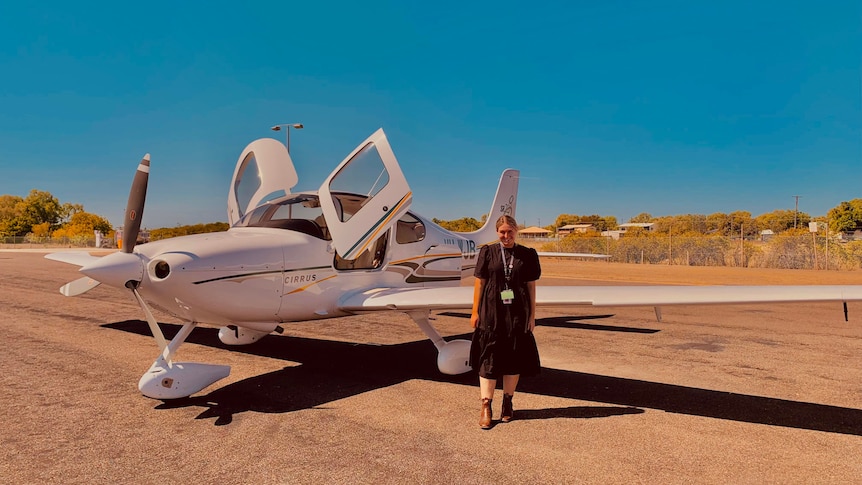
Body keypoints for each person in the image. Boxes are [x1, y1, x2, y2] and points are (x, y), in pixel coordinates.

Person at [470, 215, 541, 429]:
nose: (506, 236)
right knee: (488, 360)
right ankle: (486, 406)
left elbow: (531, 287)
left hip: (518, 313)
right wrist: (475, 312)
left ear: (516, 231)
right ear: (497, 232)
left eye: (510, 231)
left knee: (513, 359)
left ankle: (508, 402)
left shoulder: (527, 255)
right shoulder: (488, 252)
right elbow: (479, 284)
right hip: (491, 312)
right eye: (502, 232)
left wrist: (531, 315)